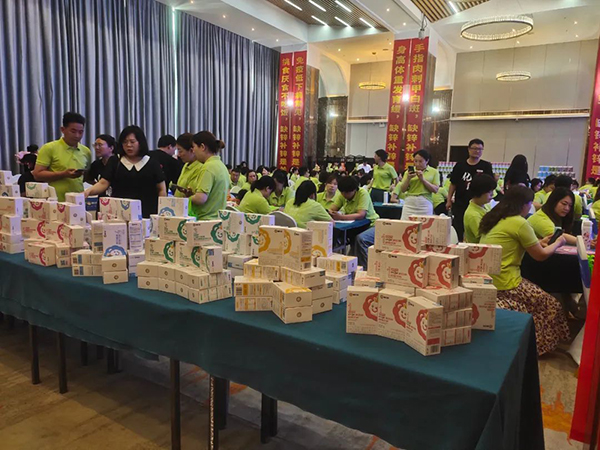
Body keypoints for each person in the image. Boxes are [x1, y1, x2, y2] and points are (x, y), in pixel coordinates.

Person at [480, 186, 569, 355]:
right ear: (524, 204)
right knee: (550, 304)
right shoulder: (519, 222)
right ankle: (538, 348)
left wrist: (540, 242)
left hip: (489, 279)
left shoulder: (496, 218)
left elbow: (519, 243)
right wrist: (558, 243)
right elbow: (540, 255)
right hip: (506, 282)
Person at [84, 125, 166, 217]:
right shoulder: (115, 161)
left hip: (147, 213)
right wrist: (88, 191)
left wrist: (161, 212)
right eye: (125, 142)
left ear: (140, 142)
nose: (128, 145)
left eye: (132, 142)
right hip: (119, 213)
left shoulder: (152, 163)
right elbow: (103, 183)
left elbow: (161, 189)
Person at [33, 112, 92, 201]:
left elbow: (86, 176)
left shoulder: (86, 151)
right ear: (63, 129)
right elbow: (37, 174)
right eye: (73, 131)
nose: (77, 135)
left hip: (78, 200)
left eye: (80, 132)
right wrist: (64, 174)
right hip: (54, 201)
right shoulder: (49, 148)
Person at [446, 138, 493, 241]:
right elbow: (453, 184)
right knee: (459, 227)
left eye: (480, 149)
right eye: (474, 148)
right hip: (460, 202)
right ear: (469, 149)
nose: (477, 151)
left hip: (478, 203)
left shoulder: (486, 166)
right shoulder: (460, 165)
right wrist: (449, 199)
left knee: (478, 229)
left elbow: (490, 185)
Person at [329, 177, 380, 268]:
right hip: (356, 227)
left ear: (354, 190)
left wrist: (341, 217)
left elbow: (361, 214)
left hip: (372, 225)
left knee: (361, 239)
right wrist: (330, 212)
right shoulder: (343, 194)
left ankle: (366, 269)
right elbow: (333, 208)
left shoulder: (362, 193)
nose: (344, 195)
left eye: (346, 193)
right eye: (342, 192)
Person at [188, 131, 229, 220]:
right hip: (218, 219)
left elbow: (200, 199)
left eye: (194, 147)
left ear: (202, 147)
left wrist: (187, 199)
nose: (193, 151)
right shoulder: (221, 166)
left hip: (205, 220)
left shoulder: (208, 167)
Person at [395, 149, 440, 220]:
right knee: (406, 224)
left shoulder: (434, 172)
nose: (417, 164)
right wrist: (408, 178)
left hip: (425, 203)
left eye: (420, 161)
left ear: (427, 161)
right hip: (410, 202)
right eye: (415, 161)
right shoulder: (408, 172)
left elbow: (435, 190)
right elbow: (403, 190)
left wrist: (423, 180)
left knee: (425, 225)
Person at [463, 174, 496, 243]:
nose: (492, 194)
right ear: (480, 192)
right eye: (489, 192)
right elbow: (484, 237)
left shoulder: (485, 205)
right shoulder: (473, 215)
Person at [172, 133, 203, 205]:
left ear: (192, 150)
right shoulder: (186, 165)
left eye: (180, 151)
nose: (178, 154)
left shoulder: (200, 167)